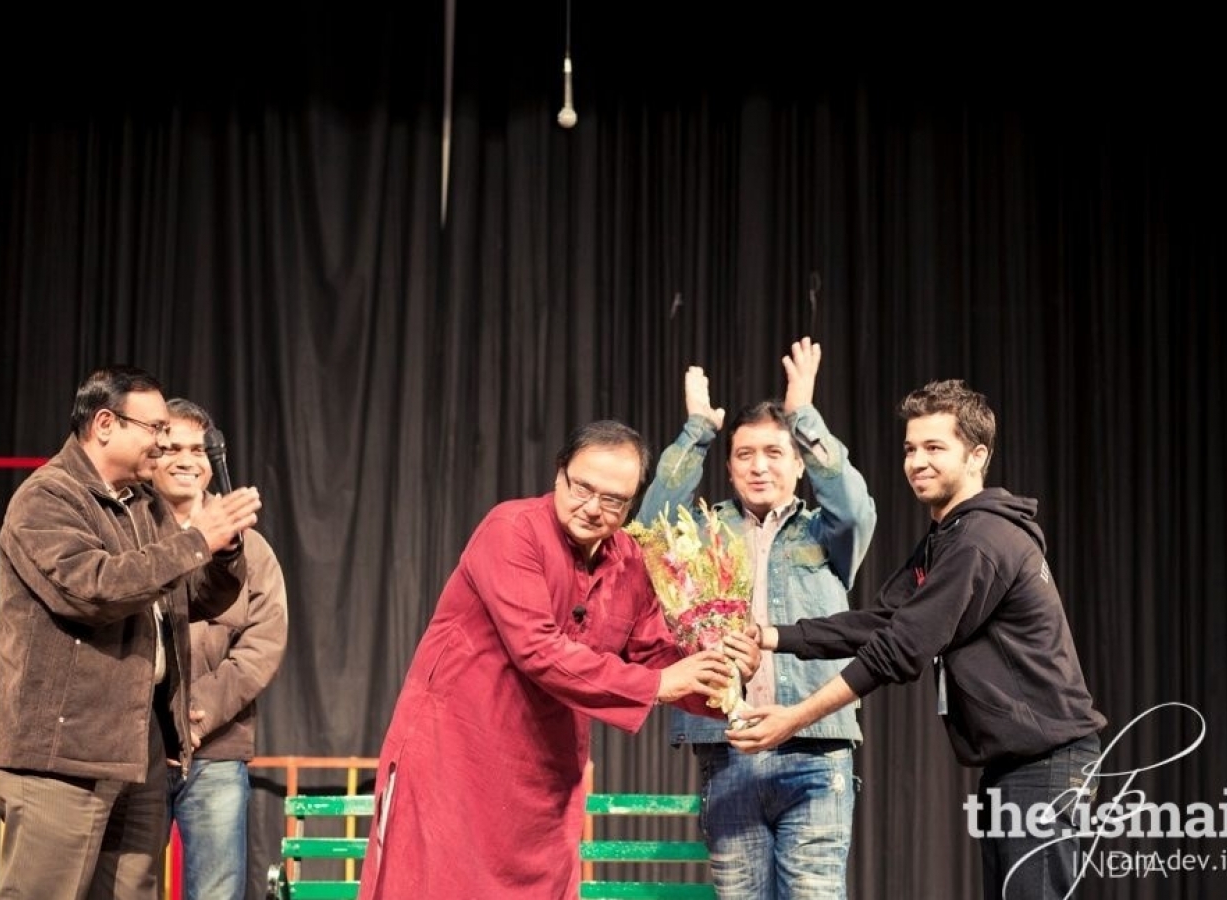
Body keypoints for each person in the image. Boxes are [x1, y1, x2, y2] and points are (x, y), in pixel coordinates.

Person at [729, 378, 1107, 900]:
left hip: (1046, 765)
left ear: (977, 456)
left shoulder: (980, 540)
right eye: (910, 448)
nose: (917, 461)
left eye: (935, 447)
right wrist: (772, 635)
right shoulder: (950, 537)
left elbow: (901, 648)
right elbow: (883, 620)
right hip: (1013, 766)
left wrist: (794, 717)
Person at [356, 420, 760, 900]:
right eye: (581, 487)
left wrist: (721, 679)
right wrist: (658, 686)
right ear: (559, 473)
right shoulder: (511, 531)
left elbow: (656, 654)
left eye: (612, 500)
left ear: (630, 504)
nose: (592, 508)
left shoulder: (630, 560)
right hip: (455, 764)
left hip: (543, 783)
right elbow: (539, 650)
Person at [0, 365, 262, 900]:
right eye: (154, 429)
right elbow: (92, 590)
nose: (162, 444)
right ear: (105, 423)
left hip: (135, 750)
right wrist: (195, 540)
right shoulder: (47, 498)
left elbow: (195, 597)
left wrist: (224, 549)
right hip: (63, 755)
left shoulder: (143, 505)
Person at [637, 337, 877, 900]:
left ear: (798, 463)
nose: (759, 466)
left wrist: (803, 416)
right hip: (728, 747)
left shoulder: (826, 532)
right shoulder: (703, 531)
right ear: (729, 465)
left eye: (774, 452)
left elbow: (853, 504)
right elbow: (646, 529)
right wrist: (697, 429)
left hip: (814, 748)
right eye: (745, 454)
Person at [151, 398, 288, 900]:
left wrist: (195, 713)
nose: (186, 459)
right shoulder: (132, 539)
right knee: (125, 887)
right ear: (152, 456)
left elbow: (262, 646)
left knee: (216, 893)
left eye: (197, 448)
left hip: (216, 754)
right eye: (171, 448)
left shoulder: (253, 550)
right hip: (136, 752)